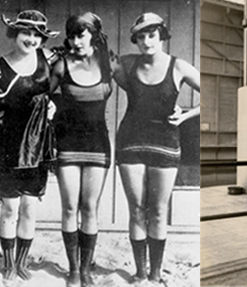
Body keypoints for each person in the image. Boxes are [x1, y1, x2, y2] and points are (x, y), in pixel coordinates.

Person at [112, 13, 200, 284]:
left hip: (165, 143)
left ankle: (155, 273)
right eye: (141, 36)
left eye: (152, 35)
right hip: (131, 142)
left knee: (158, 210)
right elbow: (94, 64)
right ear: (135, 40)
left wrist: (186, 115)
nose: (147, 41)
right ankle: (139, 273)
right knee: (137, 208)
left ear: (162, 36)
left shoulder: (179, 66)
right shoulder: (126, 63)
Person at [0, 9, 59, 283]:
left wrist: (53, 106)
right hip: (7, 145)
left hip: (37, 146)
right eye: (25, 33)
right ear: (14, 34)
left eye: (37, 35)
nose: (31, 39)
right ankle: (7, 264)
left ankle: (22, 262)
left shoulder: (48, 61)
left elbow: (61, 91)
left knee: (29, 206)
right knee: (9, 207)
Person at [49, 12, 113, 287]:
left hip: (98, 143)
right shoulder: (61, 65)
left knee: (89, 207)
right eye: (72, 35)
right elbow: (43, 94)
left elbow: (140, 88)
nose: (76, 41)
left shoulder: (110, 64)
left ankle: (86, 270)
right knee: (69, 207)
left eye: (81, 35)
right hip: (68, 142)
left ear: (94, 36)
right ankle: (73, 269)